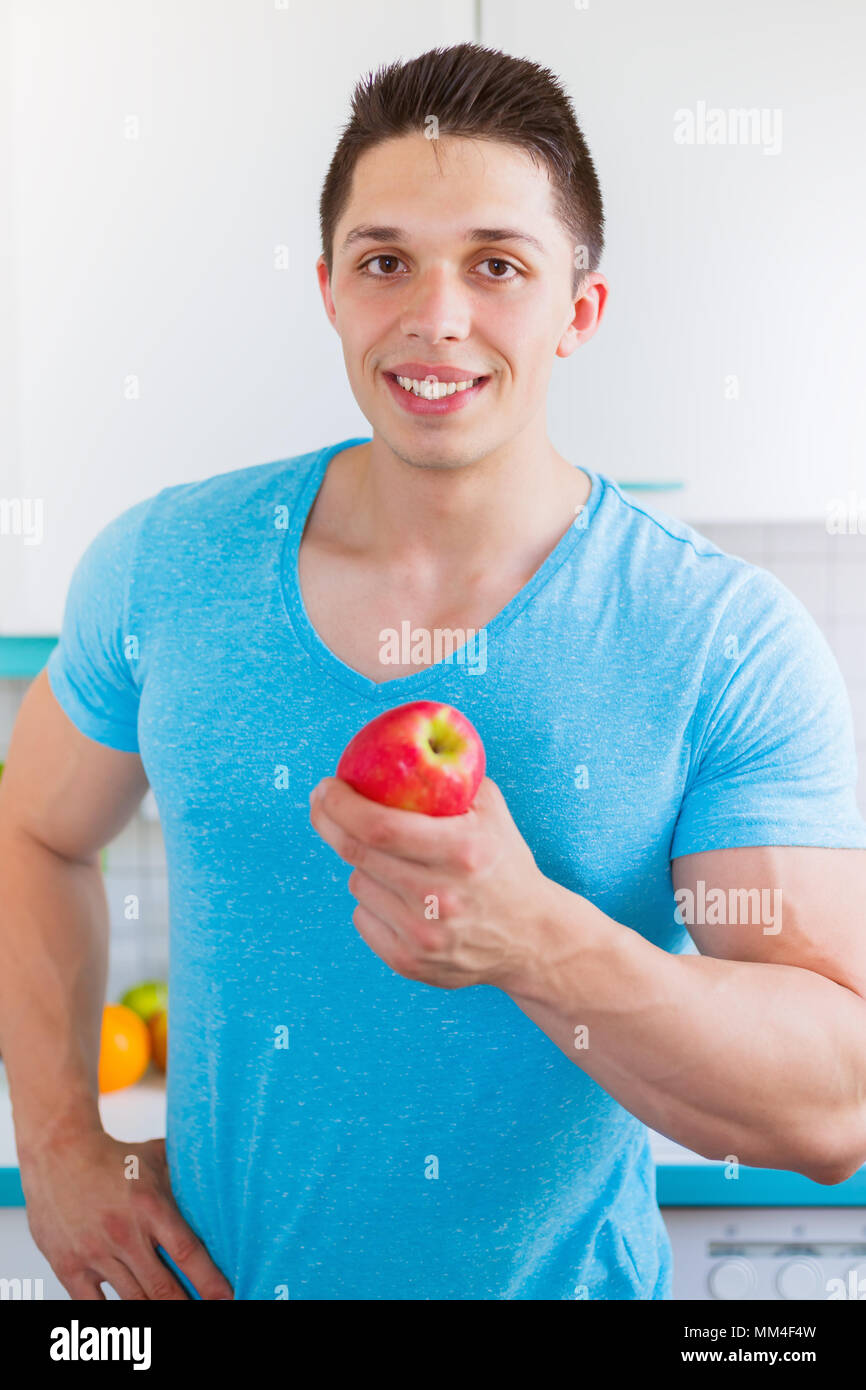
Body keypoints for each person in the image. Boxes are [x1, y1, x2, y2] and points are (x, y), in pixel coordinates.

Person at [2, 41, 865, 1303]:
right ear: (330, 291)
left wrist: (532, 939)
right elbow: (31, 831)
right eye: (386, 260)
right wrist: (61, 1140)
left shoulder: (718, 637)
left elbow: (833, 1093)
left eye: (497, 265)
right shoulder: (165, 567)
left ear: (580, 309)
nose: (435, 315)